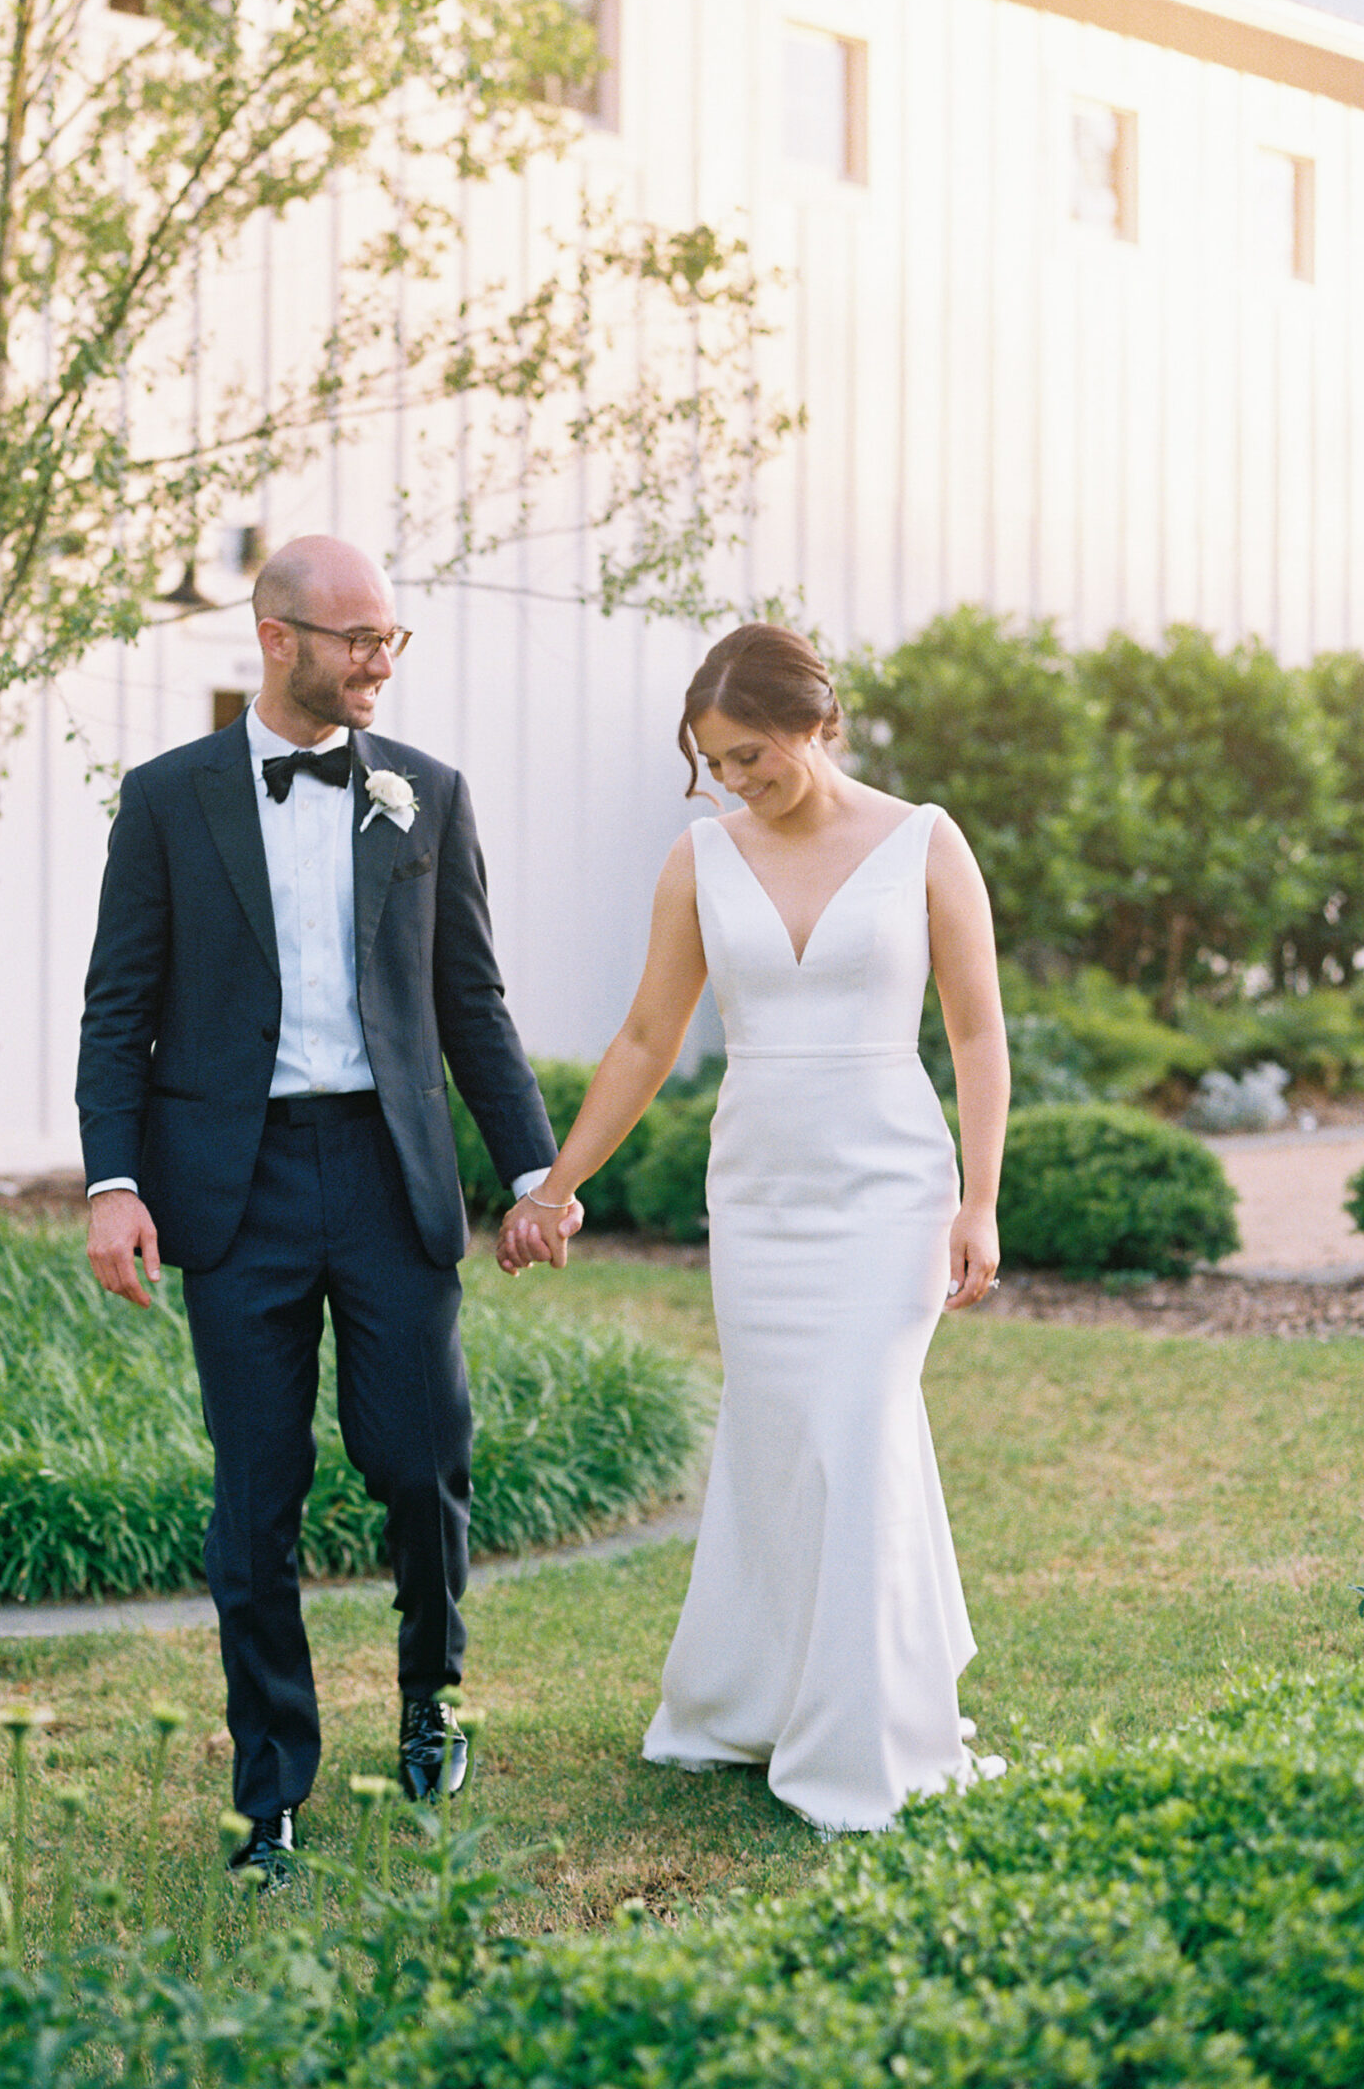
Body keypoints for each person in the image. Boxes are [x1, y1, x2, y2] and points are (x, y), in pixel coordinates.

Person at [77, 534, 571, 1884]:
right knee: (258, 1498)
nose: (377, 661)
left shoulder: (427, 794)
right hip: (227, 1195)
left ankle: (430, 1703)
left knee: (419, 1464)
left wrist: (535, 1174)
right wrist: (113, 1184)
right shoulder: (167, 801)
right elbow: (118, 1008)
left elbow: (470, 1002)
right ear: (273, 635)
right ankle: (270, 1795)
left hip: (386, 1176)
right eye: (354, 638)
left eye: (389, 639)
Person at [498, 622, 1009, 1832]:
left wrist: (978, 1198)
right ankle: (761, 1697)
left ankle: (863, 1736)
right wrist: (554, 1181)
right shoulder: (697, 860)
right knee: (785, 1439)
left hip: (888, 1188)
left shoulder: (925, 842)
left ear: (812, 723)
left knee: (854, 1425)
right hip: (762, 1194)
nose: (735, 781)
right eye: (713, 764)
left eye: (749, 756)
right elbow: (643, 1039)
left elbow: (978, 1036)